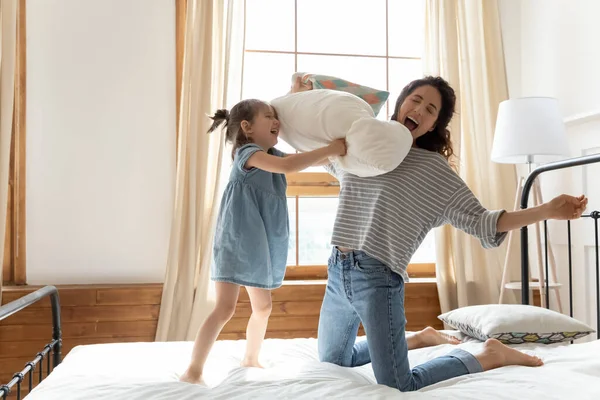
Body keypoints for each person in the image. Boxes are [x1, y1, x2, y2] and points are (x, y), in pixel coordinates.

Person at [316, 75, 588, 392]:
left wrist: (546, 210)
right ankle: (419, 338)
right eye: (415, 100)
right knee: (332, 360)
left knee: (397, 384)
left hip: (378, 280)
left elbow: (484, 222)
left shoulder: (433, 170)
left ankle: (489, 354)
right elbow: (318, 149)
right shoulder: (363, 144)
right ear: (401, 103)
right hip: (337, 271)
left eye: (430, 109)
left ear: (433, 125)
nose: (419, 110)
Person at [179, 96, 347, 385]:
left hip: (259, 244)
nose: (276, 121)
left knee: (264, 307)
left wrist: (333, 153)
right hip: (237, 239)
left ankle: (251, 357)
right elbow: (291, 165)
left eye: (275, 116)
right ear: (247, 127)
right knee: (224, 308)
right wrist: (331, 148)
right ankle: (193, 369)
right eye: (268, 116)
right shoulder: (248, 154)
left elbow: (301, 161)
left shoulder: (273, 155)